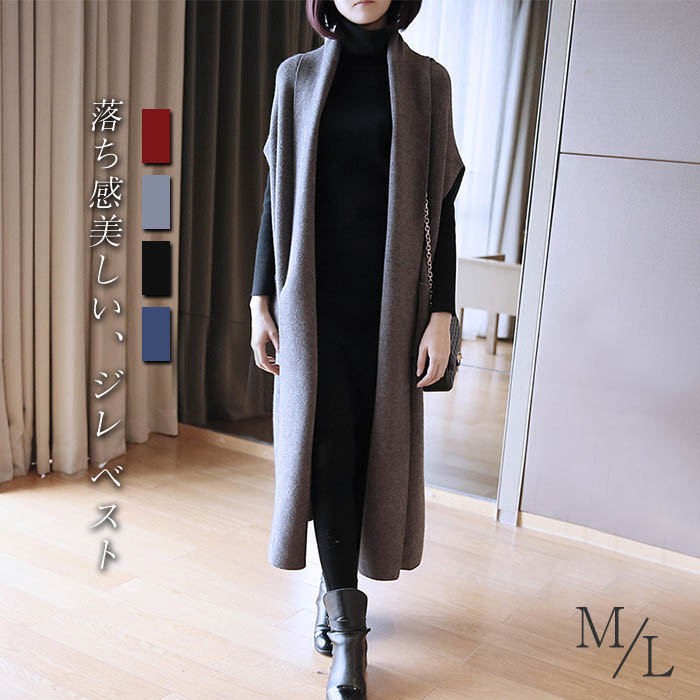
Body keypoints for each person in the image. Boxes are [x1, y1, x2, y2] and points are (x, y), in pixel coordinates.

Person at [250, 1, 464, 697]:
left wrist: (441, 314)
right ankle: (350, 634)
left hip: (391, 307)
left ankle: (334, 592)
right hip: (311, 303)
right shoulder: (296, 76)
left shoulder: (428, 81)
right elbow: (275, 196)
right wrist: (259, 298)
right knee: (326, 449)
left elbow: (442, 207)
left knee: (371, 448)